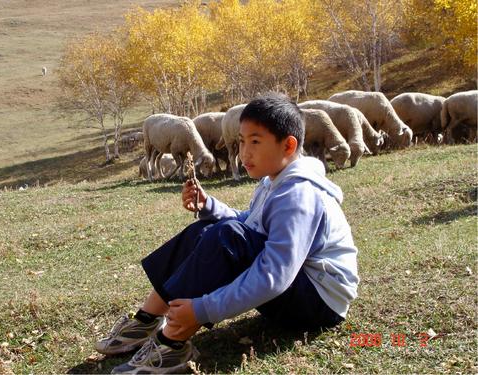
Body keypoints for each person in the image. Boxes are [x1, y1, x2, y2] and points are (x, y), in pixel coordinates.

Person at [95, 92, 360, 374]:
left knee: (227, 235)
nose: (245, 153)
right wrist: (209, 206)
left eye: (255, 142)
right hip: (300, 289)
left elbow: (275, 276)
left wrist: (204, 309)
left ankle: (170, 345)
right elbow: (251, 225)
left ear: (288, 145)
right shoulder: (276, 181)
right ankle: (147, 319)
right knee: (207, 228)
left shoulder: (298, 194)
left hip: (319, 304)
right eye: (242, 141)